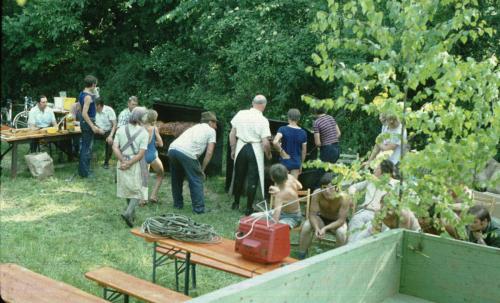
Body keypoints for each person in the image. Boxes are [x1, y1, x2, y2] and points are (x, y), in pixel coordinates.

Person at [229, 95, 272, 215]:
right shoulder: (263, 120)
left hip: (241, 147)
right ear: (263, 105)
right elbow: (265, 142)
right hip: (255, 148)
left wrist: (233, 148)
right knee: (252, 178)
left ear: (253, 103)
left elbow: (232, 133)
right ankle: (248, 208)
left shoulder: (241, 114)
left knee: (239, 176)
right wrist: (268, 154)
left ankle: (236, 203)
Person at [167, 111, 217, 214]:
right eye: (215, 123)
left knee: (176, 179)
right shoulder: (211, 131)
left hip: (172, 149)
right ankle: (199, 209)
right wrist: (201, 169)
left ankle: (177, 205)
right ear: (210, 122)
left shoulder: (194, 127)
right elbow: (209, 152)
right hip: (187, 153)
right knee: (196, 179)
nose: (216, 126)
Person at [298, 173, 350, 259]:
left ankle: (336, 258)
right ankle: (301, 256)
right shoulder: (317, 193)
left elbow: (341, 220)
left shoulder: (344, 198)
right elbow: (312, 214)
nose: (326, 191)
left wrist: (325, 229)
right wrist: (317, 228)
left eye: (330, 188)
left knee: (341, 233)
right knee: (306, 226)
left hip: (337, 223)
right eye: (324, 187)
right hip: (321, 219)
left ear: (337, 188)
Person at [112, 107, 149, 227]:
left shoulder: (121, 129)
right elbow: (141, 153)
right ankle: (128, 213)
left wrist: (123, 160)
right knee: (138, 190)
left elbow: (115, 147)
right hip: (135, 162)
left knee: (127, 188)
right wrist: (129, 163)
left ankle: (131, 214)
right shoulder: (144, 132)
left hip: (121, 161)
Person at [347, 159, 399, 243]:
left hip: (381, 216)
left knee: (366, 232)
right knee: (355, 221)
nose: (374, 169)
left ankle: (354, 250)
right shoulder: (371, 180)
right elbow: (353, 187)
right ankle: (349, 250)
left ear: (384, 171)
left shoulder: (396, 185)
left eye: (377, 168)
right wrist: (352, 196)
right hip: (365, 212)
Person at [253, 164, 303, 229]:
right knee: (253, 217)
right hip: (283, 213)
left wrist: (283, 193)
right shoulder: (290, 176)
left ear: (272, 178)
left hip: (293, 217)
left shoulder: (280, 195)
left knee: (277, 228)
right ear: (286, 172)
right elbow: (300, 186)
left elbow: (275, 220)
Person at [78, 75, 104, 177]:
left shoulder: (82, 93)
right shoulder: (88, 97)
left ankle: (85, 170)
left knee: (86, 146)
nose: (96, 86)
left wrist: (96, 92)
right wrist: (92, 126)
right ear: (93, 85)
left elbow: (79, 108)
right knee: (86, 148)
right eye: (95, 85)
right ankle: (85, 173)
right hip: (88, 122)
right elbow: (84, 113)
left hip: (85, 122)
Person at [272, 108, 307, 179]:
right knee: (292, 187)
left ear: (288, 117)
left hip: (285, 162)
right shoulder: (303, 132)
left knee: (280, 186)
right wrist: (301, 164)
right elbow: (304, 152)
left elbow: (275, 142)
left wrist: (282, 153)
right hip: (296, 163)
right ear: (299, 118)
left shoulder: (282, 129)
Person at [143, 109, 164, 205]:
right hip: (152, 155)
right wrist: (155, 142)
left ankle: (142, 199)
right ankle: (153, 196)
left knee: (145, 177)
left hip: (142, 155)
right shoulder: (154, 128)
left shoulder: (140, 127)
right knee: (160, 175)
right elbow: (161, 144)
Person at [95, 98, 117, 169]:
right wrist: (98, 129)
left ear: (99, 106)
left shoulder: (109, 110)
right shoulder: (93, 111)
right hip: (97, 130)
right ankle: (85, 158)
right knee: (87, 135)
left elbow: (114, 125)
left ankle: (106, 162)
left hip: (108, 130)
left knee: (110, 141)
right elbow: (92, 122)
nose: (93, 107)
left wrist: (111, 135)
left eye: (95, 106)